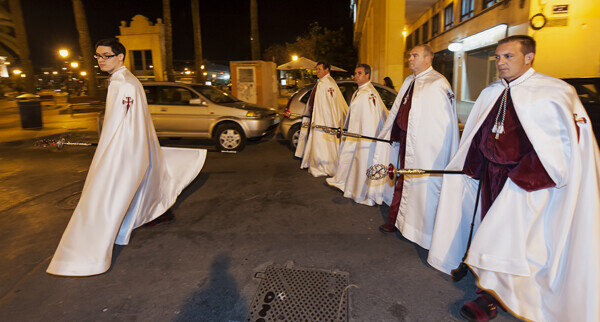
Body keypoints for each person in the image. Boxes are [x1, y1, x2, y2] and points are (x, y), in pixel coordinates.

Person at [427, 35, 600, 321]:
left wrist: (522, 178)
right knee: (489, 231)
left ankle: (494, 299)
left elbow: (563, 147)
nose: (500, 63)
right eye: (497, 57)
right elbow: (479, 133)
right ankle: (489, 285)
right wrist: (473, 164)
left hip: (528, 183)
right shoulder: (492, 91)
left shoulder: (553, 91)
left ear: (529, 57)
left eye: (508, 56)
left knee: (515, 241)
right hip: (491, 176)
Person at [47, 38, 207, 277]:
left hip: (122, 154)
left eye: (106, 56)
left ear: (120, 57)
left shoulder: (124, 84)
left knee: (103, 200)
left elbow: (120, 126)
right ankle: (154, 214)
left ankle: (88, 257)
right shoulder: (124, 80)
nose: (101, 60)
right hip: (128, 151)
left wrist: (109, 154)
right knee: (140, 187)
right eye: (98, 56)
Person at [372, 45, 459, 250]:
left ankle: (422, 231)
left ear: (428, 59)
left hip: (425, 147)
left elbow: (442, 123)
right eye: (410, 55)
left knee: (421, 188)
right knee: (402, 180)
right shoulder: (410, 80)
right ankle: (396, 220)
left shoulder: (437, 83)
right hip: (405, 141)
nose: (410, 59)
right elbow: (398, 110)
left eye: (415, 55)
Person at [326, 64, 388, 205]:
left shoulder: (369, 94)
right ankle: (346, 183)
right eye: (355, 73)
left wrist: (365, 139)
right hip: (355, 135)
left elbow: (370, 119)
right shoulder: (360, 91)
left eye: (360, 73)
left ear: (367, 75)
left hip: (363, 138)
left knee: (361, 163)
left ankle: (360, 191)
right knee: (348, 159)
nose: (356, 76)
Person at [295, 62, 348, 177]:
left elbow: (326, 106)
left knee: (322, 142)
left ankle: (321, 165)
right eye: (316, 69)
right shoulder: (327, 83)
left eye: (319, 69)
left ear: (326, 70)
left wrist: (319, 120)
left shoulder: (325, 84)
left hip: (323, 120)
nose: (317, 72)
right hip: (323, 119)